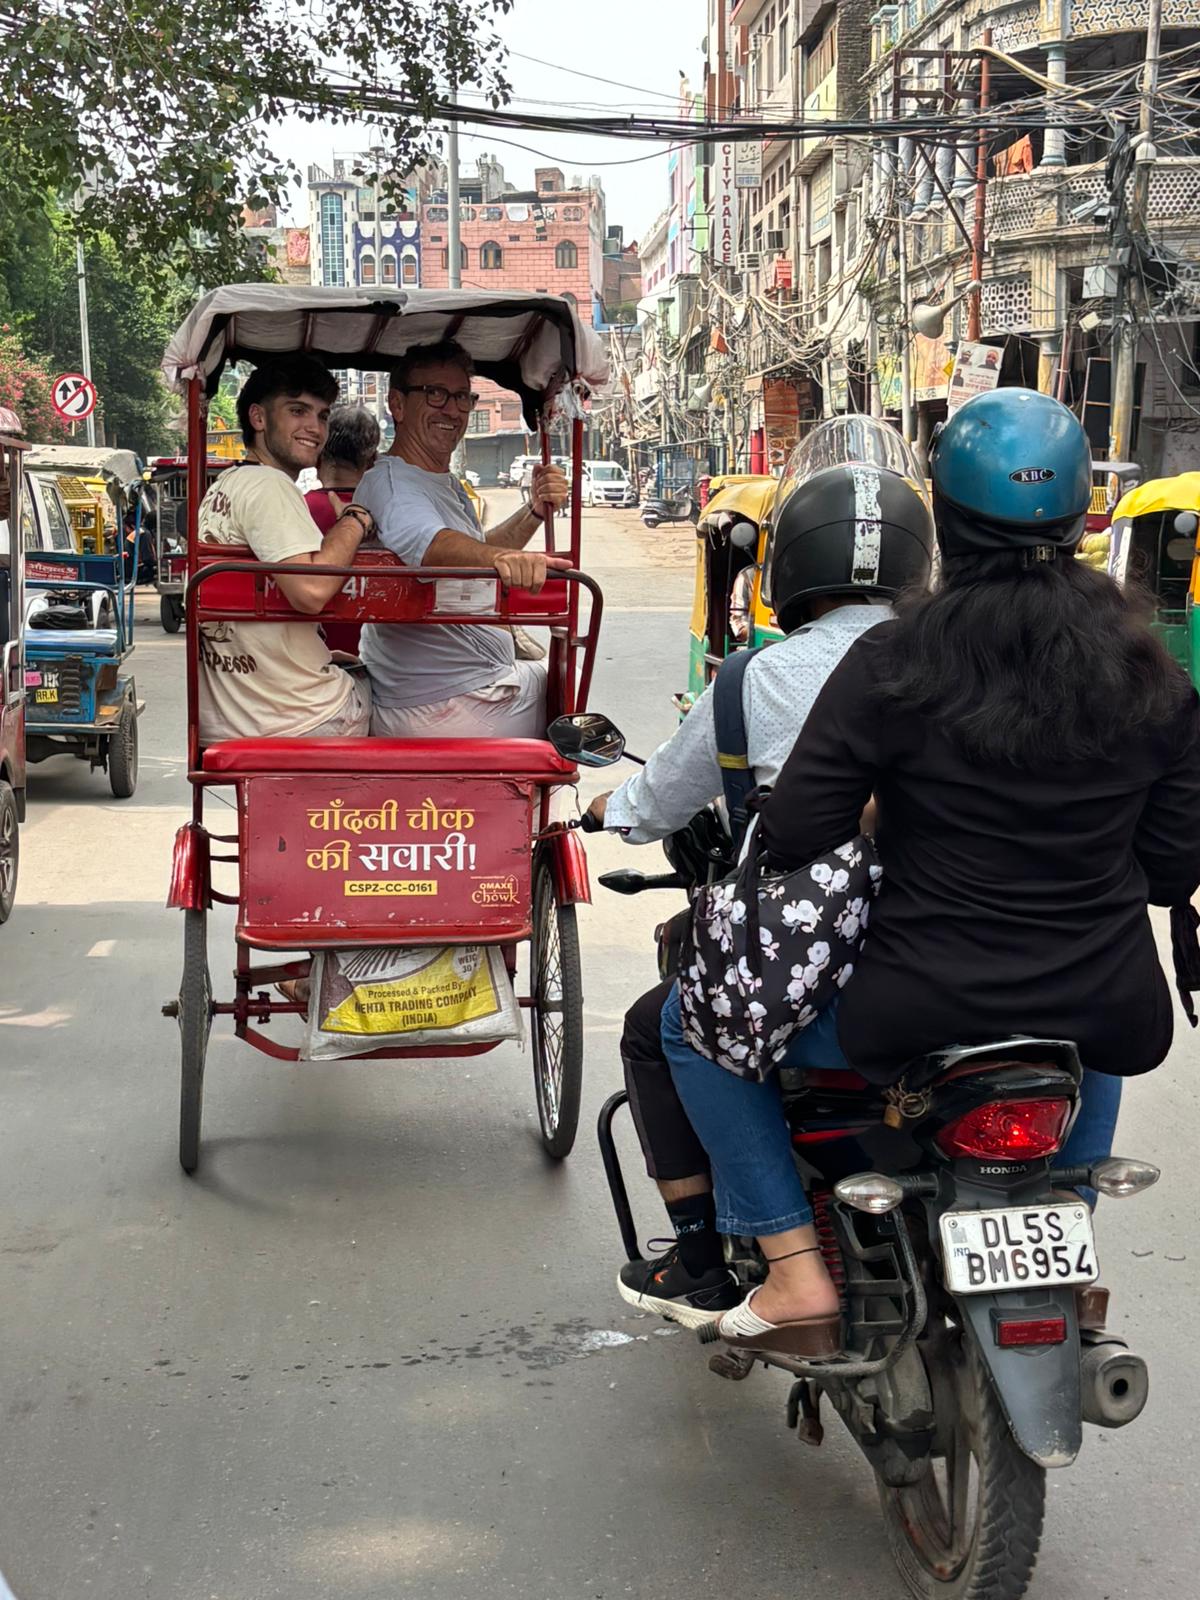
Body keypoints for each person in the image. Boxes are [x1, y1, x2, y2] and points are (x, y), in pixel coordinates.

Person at [661, 389, 1200, 1359]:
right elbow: (1169, 870)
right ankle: (1066, 1249)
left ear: (945, 522)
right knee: (1090, 1027)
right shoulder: (1151, 669)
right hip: (1106, 1003)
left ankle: (793, 1268)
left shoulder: (893, 659)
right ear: (1080, 518)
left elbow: (796, 832)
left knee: (688, 1025)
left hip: (913, 1009)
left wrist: (886, 809)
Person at [587, 418, 936, 1327]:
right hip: (991, 962)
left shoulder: (759, 679)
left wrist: (608, 810)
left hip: (822, 980)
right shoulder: (975, 664)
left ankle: (730, 1258)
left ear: (791, 566)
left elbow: (657, 801)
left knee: (668, 1027)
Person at [354, 340, 569, 738]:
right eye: (435, 394)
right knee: (562, 689)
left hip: (460, 689)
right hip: (440, 701)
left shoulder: (436, 480)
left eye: (461, 398)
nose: (452, 410)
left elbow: (475, 549)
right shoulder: (394, 484)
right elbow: (432, 546)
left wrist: (535, 510)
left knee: (553, 679)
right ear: (397, 405)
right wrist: (502, 559)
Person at [196, 357, 377, 745]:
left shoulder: (222, 486)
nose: (315, 428)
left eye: (322, 416)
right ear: (259, 418)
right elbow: (311, 591)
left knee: (351, 666)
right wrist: (356, 520)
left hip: (234, 716)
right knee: (400, 694)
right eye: (298, 411)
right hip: (302, 716)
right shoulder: (270, 486)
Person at [304, 405, 381, 659]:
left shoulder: (297, 509)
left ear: (318, 457)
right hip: (380, 662)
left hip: (310, 660)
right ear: (372, 462)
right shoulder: (390, 515)